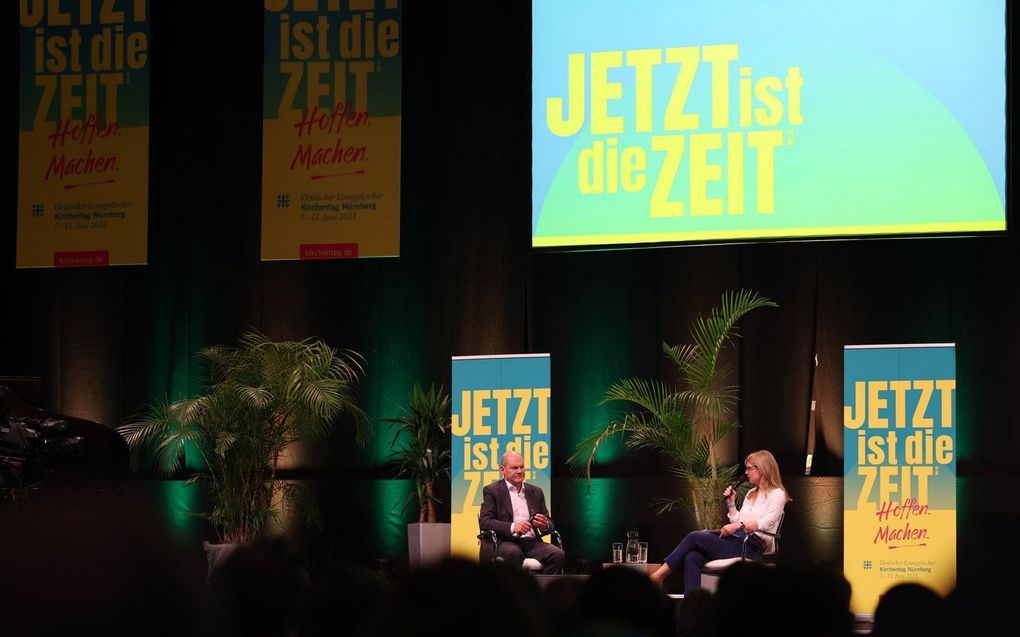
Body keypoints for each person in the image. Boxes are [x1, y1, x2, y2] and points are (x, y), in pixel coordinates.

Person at [649, 450, 789, 592]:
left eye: (749, 468)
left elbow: (767, 522)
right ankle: (694, 606)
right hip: (737, 540)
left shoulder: (777, 494)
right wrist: (731, 504)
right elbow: (739, 520)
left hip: (751, 547)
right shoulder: (751, 493)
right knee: (692, 557)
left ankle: (657, 577)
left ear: (762, 468)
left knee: (694, 537)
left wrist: (739, 525)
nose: (746, 472)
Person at [478, 450, 565, 574]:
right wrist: (513, 527)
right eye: (514, 468)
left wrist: (544, 525)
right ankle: (516, 591)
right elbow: (485, 522)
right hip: (505, 541)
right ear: (502, 470)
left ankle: (543, 591)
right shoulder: (492, 491)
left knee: (557, 554)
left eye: (522, 467)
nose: (519, 471)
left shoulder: (536, 491)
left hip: (531, 543)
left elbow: (549, 523)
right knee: (514, 553)